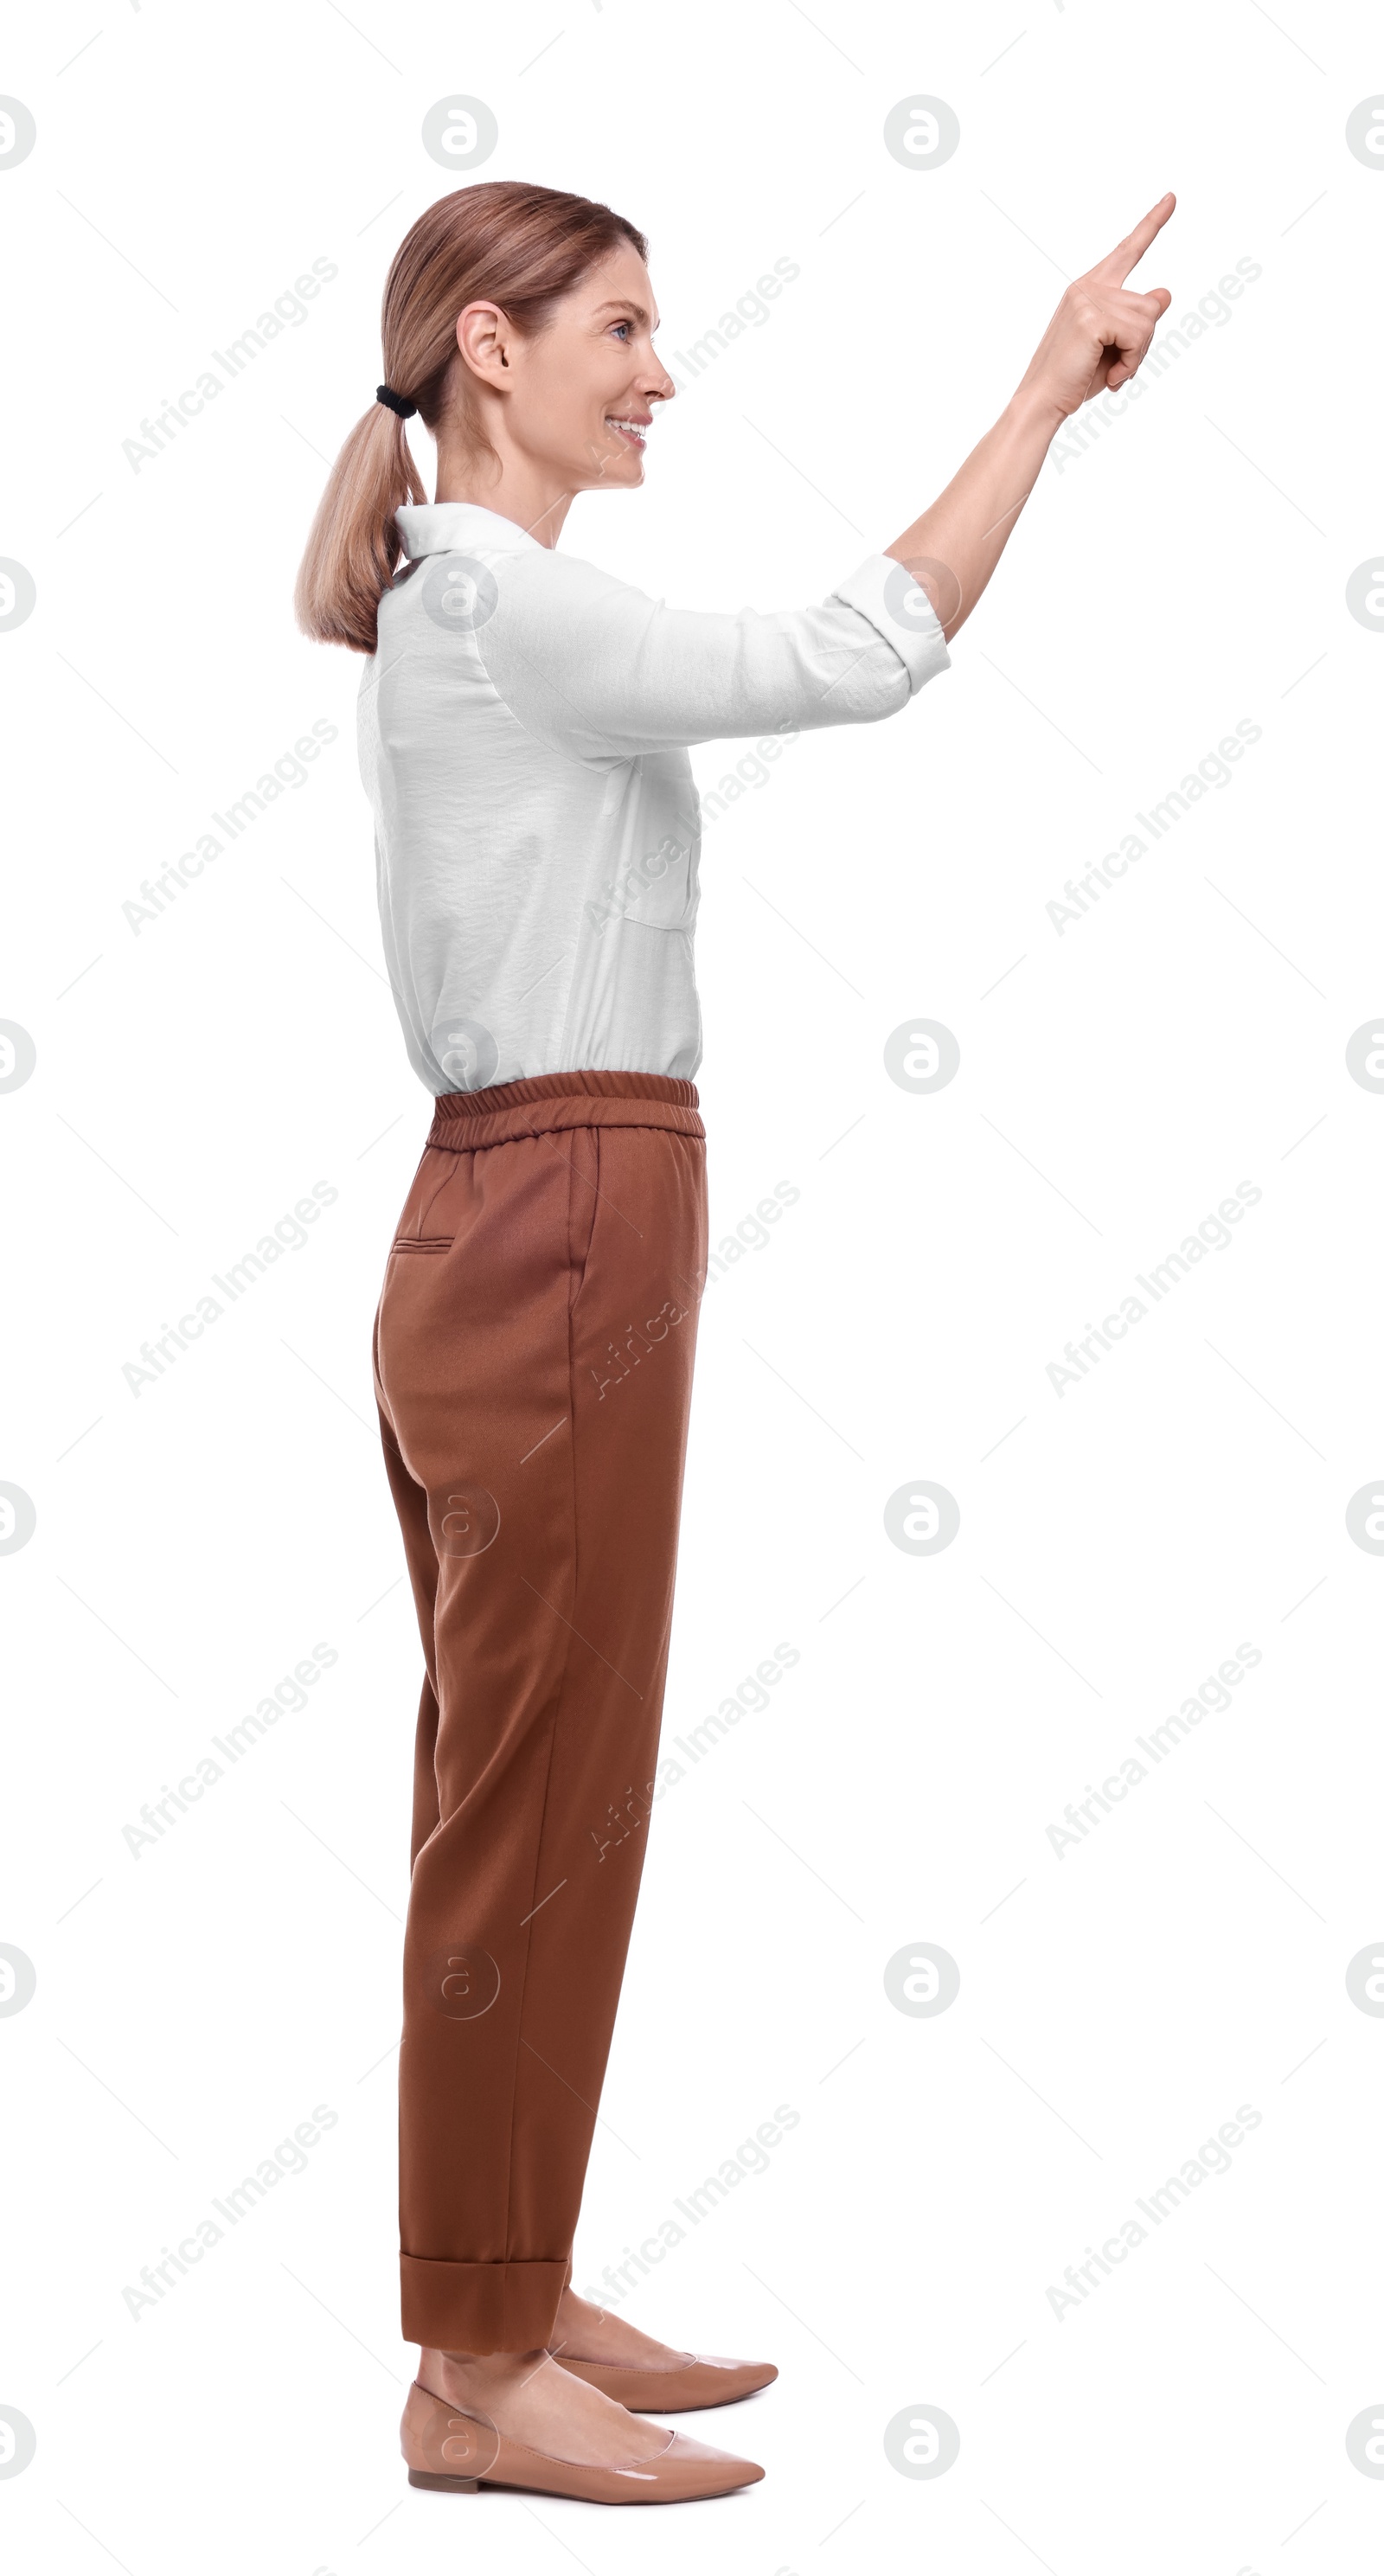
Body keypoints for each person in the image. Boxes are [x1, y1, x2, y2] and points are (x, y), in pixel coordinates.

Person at [296, 176, 1175, 2508]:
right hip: (561, 1215)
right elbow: (858, 651)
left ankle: (504, 2279)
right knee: (529, 1805)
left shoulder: (465, 595)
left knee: (530, 1801)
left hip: (534, 1213)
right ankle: (474, 2378)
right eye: (617, 322)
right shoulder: (496, 595)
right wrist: (1043, 396)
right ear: (490, 347)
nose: (660, 367)